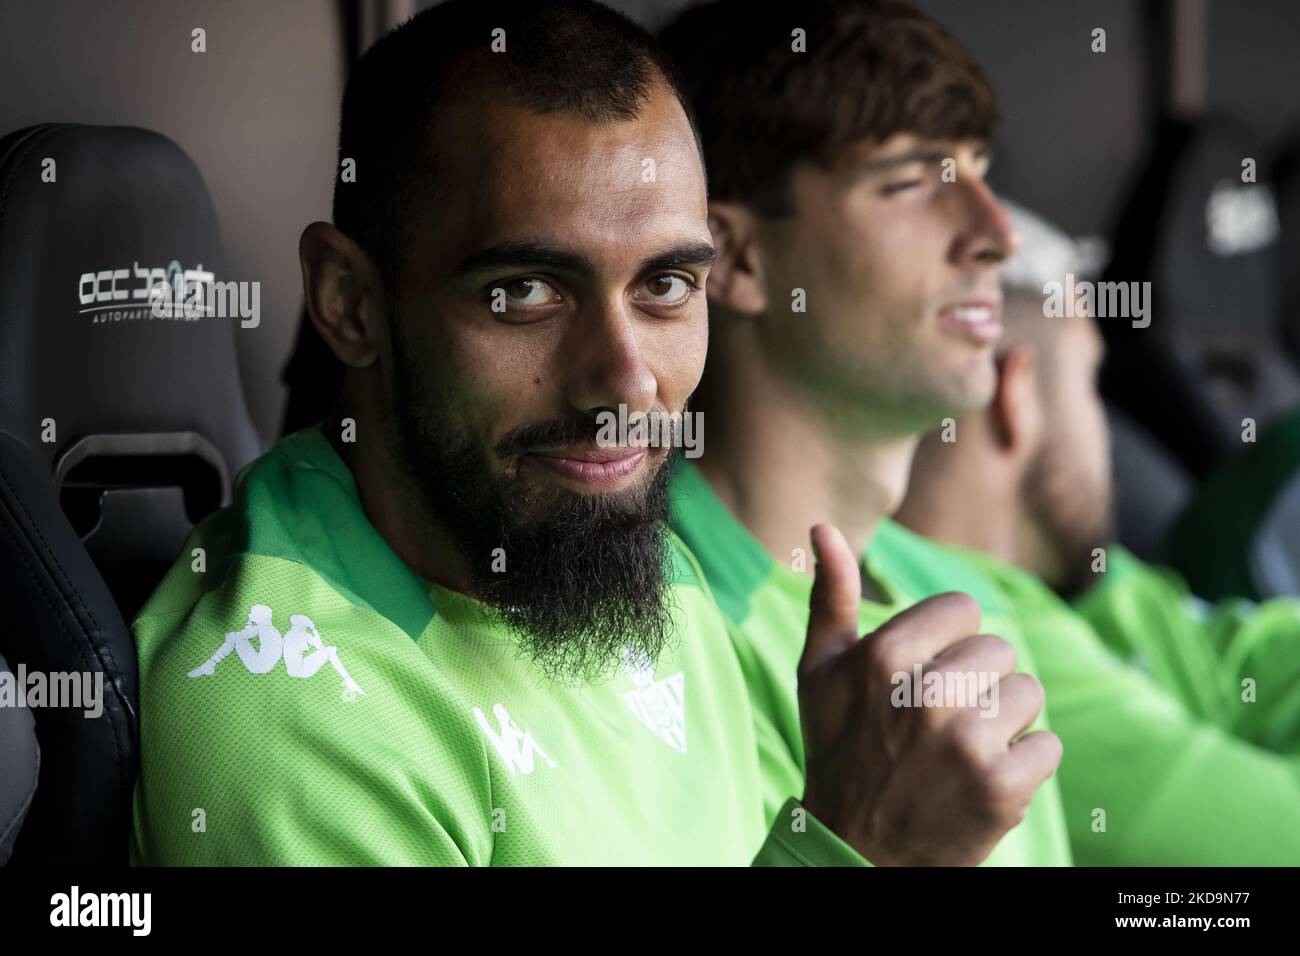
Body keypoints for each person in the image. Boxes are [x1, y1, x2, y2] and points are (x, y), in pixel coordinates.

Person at [131, 0, 1053, 867]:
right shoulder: (290, 710)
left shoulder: (638, 566)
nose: (625, 381)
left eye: (664, 286)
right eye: (526, 291)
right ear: (350, 303)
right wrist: (860, 843)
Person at [660, 0, 1300, 864]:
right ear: (734, 260)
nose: (997, 236)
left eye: (980, 172)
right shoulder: (635, 617)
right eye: (915, 183)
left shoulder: (962, 589)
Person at [897, 200, 1300, 765]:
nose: (1109, 436)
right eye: (1090, 381)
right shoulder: (993, 672)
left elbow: (1247, 656)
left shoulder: (1100, 577)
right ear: (1016, 397)